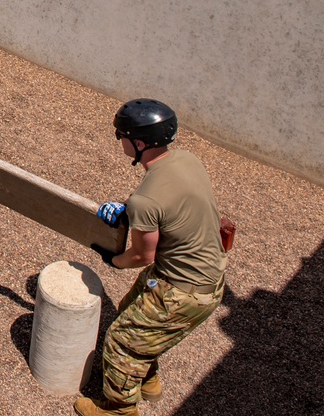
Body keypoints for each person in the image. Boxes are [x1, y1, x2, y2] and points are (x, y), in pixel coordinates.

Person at [79, 99, 227, 416]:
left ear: (139, 143)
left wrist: (111, 259)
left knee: (121, 341)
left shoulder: (146, 201)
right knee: (129, 309)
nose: (119, 140)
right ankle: (148, 380)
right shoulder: (187, 160)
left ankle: (119, 409)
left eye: (122, 134)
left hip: (182, 292)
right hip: (206, 273)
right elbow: (165, 204)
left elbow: (141, 256)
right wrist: (128, 209)